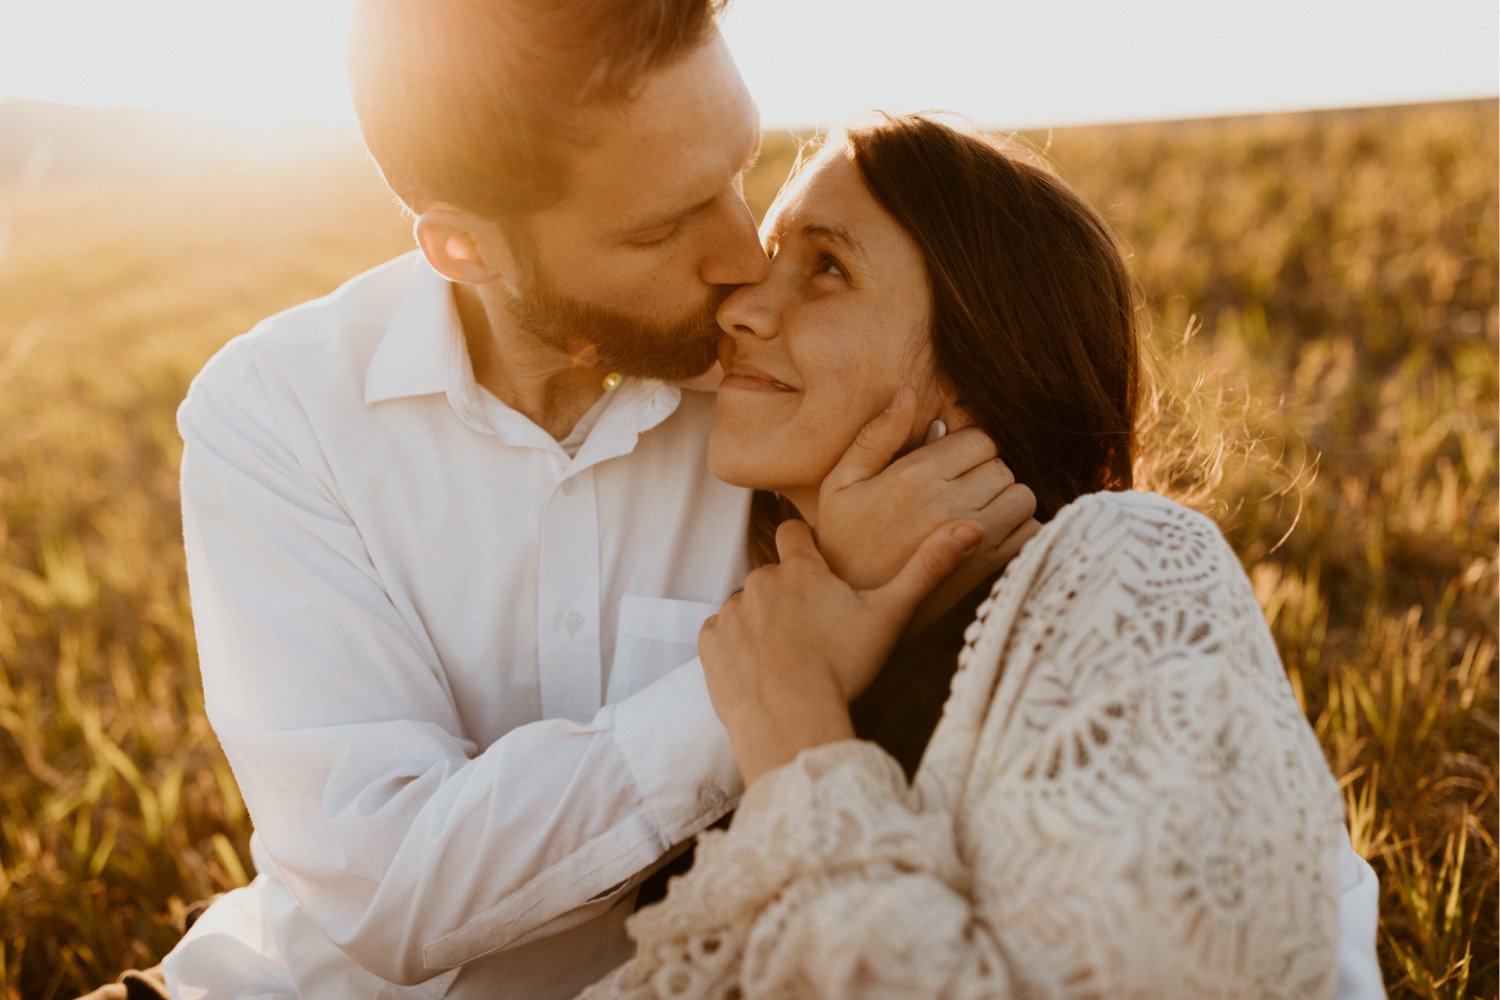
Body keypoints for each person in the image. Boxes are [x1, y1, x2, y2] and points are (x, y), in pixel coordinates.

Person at [75, 4, 1035, 1000]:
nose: (746, 258)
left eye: (737, 170)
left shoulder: (782, 398)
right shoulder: (278, 411)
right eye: (663, 226)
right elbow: (386, 893)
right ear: (462, 250)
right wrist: (781, 662)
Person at [580, 115, 1387, 999]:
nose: (741, 306)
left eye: (827, 269)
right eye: (773, 255)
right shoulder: (757, 615)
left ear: (973, 376)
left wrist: (798, 736)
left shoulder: (1129, 561)